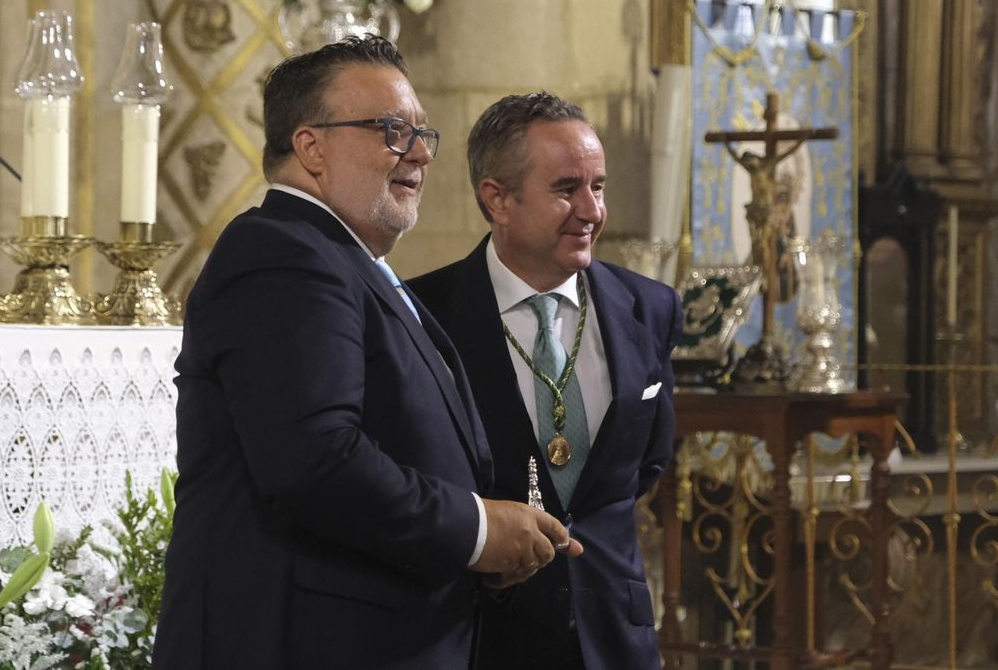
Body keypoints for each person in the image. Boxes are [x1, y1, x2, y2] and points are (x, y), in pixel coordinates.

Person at [154, 38, 580, 670]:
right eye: (390, 130)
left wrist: (481, 546)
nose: (420, 152)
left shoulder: (350, 263)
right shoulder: (284, 256)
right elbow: (315, 463)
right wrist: (478, 532)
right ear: (310, 146)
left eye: (421, 132)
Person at [409, 92, 682, 670]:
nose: (592, 210)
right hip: (482, 637)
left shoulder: (650, 307)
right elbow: (417, 476)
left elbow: (648, 462)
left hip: (617, 636)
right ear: (498, 199)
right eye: (566, 189)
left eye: (599, 186)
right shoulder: (424, 314)